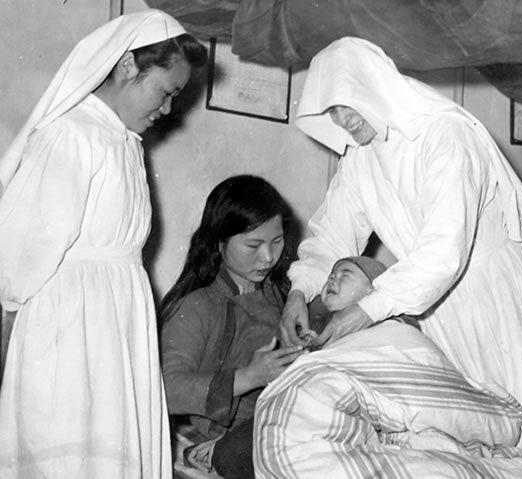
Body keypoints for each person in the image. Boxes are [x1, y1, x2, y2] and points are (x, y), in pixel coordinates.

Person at [280, 36, 522, 463]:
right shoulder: (359, 160)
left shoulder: (445, 134)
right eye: (331, 111)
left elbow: (443, 250)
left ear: (371, 85)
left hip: (492, 291)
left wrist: (369, 309)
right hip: (435, 304)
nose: (341, 118)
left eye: (344, 102)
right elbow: (331, 237)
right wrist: (299, 292)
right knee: (476, 427)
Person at [0, 10, 206, 478]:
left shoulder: (125, 142)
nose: (169, 109)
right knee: (68, 449)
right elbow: (19, 250)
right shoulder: (72, 134)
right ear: (129, 67)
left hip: (116, 323)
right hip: (70, 329)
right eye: (167, 92)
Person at [159, 175, 304, 479]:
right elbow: (166, 389)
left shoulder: (283, 295)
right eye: (254, 244)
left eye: (277, 241)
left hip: (289, 420)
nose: (268, 257)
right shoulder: (196, 306)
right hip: (242, 437)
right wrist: (248, 377)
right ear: (219, 242)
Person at [300, 255, 419, 348]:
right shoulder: (315, 324)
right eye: (331, 275)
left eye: (345, 276)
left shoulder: (392, 326)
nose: (331, 278)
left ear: (371, 291)